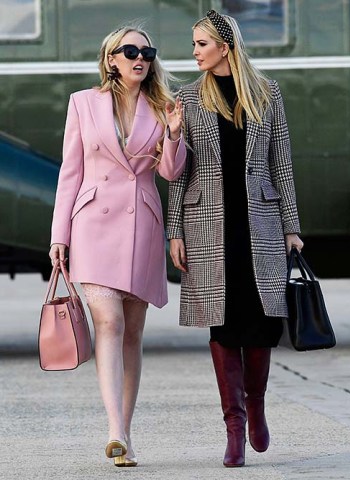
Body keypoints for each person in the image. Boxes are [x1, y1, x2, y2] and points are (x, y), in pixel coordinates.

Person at [167, 10, 304, 468]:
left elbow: (281, 163)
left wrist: (291, 228)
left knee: (263, 321)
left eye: (201, 43)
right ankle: (235, 426)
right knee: (222, 324)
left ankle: (257, 403)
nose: (194, 51)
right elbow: (177, 175)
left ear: (225, 46)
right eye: (194, 44)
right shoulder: (186, 98)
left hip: (260, 223)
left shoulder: (267, 93)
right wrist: (175, 230)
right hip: (206, 223)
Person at [49, 24, 186, 468]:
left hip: (140, 226)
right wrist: (59, 236)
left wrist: (175, 134)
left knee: (132, 334)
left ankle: (125, 433)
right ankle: (115, 432)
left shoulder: (163, 105)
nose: (139, 58)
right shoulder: (83, 104)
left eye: (146, 51)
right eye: (129, 51)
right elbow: (70, 174)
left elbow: (170, 172)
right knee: (107, 322)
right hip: (92, 224)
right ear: (111, 58)